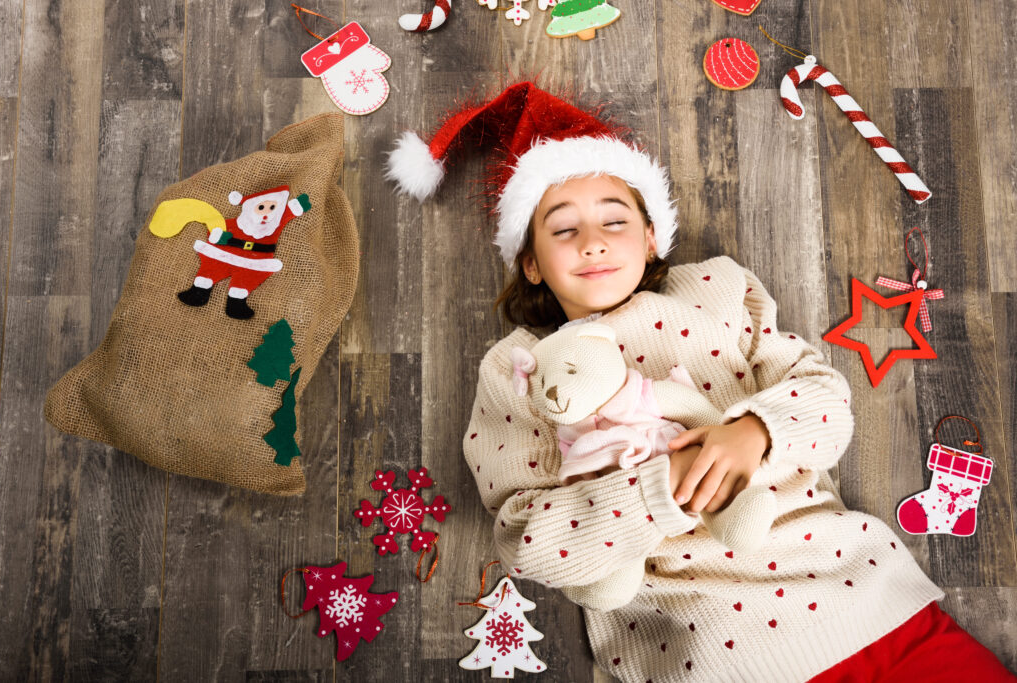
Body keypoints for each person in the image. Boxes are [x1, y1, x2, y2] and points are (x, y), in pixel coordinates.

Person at [387, 82, 1016, 682]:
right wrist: (659, 493)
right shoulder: (516, 369)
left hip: (869, 610)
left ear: (652, 236)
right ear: (530, 262)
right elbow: (526, 541)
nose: (593, 244)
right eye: (562, 230)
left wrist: (753, 432)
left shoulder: (713, 290)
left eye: (614, 221)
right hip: (708, 652)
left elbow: (827, 402)